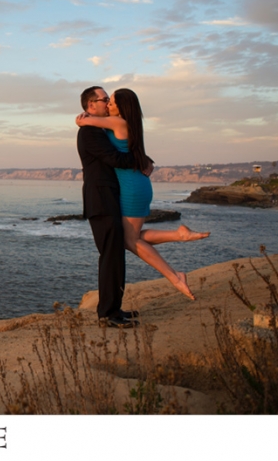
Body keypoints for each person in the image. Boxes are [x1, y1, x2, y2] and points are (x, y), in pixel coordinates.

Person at [76, 88, 209, 306]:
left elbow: (88, 125)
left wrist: (83, 118)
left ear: (122, 107)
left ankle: (175, 274)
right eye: (106, 100)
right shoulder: (122, 124)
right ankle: (179, 237)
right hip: (133, 185)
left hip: (132, 187)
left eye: (112, 101)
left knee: (129, 240)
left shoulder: (116, 123)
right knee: (131, 238)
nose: (108, 104)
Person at [77, 86, 147, 329]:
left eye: (108, 99)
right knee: (110, 256)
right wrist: (141, 160)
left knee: (115, 254)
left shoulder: (96, 128)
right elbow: (115, 159)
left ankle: (114, 308)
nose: (108, 103)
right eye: (104, 99)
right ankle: (107, 313)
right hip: (101, 200)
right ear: (90, 105)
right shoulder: (89, 133)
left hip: (108, 198)